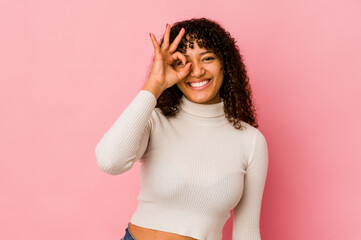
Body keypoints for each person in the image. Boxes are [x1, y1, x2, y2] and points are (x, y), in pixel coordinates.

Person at [95, 17, 269, 240]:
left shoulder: (251, 141)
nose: (196, 71)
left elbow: (247, 232)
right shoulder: (155, 120)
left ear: (225, 63)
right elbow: (110, 162)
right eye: (182, 62)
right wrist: (154, 85)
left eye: (206, 58)